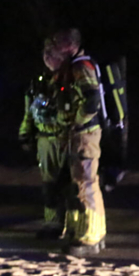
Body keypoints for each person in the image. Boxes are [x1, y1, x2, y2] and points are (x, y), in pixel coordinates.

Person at [50, 28, 107, 256]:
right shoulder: (72, 66)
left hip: (84, 133)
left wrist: (77, 122)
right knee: (78, 184)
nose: (54, 46)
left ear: (69, 45)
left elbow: (91, 100)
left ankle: (90, 237)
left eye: (58, 42)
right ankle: (81, 231)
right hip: (78, 134)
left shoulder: (81, 67)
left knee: (86, 184)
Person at [18, 37, 69, 239]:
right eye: (46, 54)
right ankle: (52, 223)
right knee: (49, 185)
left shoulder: (70, 79)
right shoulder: (38, 82)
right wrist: (24, 134)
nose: (49, 58)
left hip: (65, 138)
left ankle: (73, 224)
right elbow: (29, 111)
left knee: (68, 183)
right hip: (44, 139)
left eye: (53, 54)